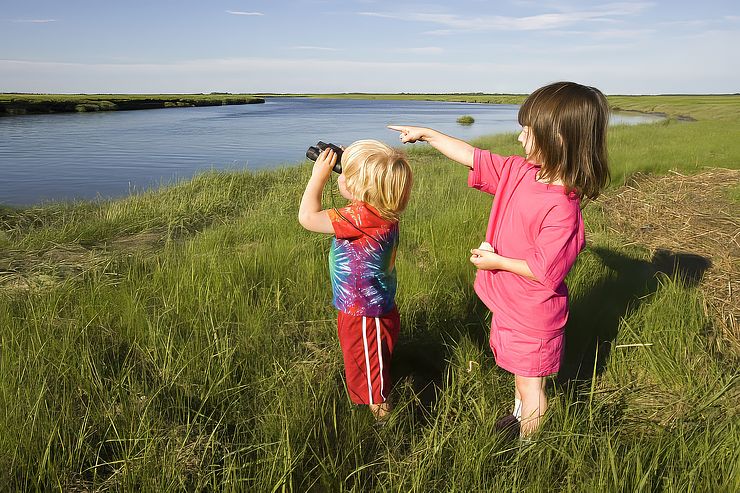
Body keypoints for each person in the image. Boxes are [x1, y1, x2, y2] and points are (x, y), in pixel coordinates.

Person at [388, 81, 610, 438]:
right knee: (520, 379)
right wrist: (428, 135)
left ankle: (529, 448)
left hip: (533, 316)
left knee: (531, 387)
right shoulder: (521, 172)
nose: (520, 138)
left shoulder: (562, 209)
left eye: (528, 131)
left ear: (560, 138)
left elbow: (543, 270)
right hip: (511, 305)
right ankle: (518, 417)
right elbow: (472, 156)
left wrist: (498, 262)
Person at [298, 139, 413, 420]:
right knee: (371, 360)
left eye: (346, 175)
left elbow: (307, 218)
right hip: (373, 307)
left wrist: (318, 177)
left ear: (360, 189)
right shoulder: (383, 209)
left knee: (372, 380)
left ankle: (387, 428)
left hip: (364, 314)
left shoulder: (359, 218)